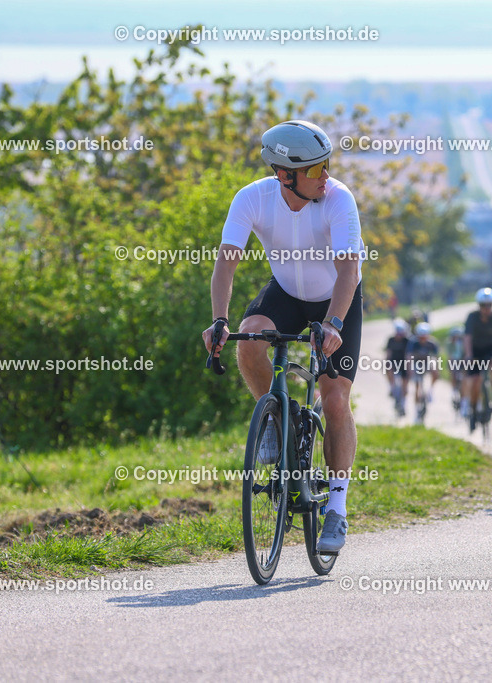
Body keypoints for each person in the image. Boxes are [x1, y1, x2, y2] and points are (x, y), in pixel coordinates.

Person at [202, 119, 363, 555]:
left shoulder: (338, 199)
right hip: (287, 293)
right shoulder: (251, 198)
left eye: (326, 165)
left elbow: (348, 270)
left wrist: (333, 324)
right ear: (284, 175)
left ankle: (337, 509)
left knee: (333, 400)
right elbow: (226, 264)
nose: (325, 175)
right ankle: (274, 417)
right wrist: (219, 320)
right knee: (249, 336)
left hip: (337, 299)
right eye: (314, 169)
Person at [462, 287, 492, 432]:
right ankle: (474, 410)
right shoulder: (472, 317)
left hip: (491, 348)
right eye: (483, 305)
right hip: (475, 350)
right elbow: (467, 337)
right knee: (475, 381)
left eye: (489, 305)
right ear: (479, 305)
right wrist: (469, 354)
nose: (486, 308)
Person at [407, 322, 440, 415]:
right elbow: (409, 357)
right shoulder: (413, 342)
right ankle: (416, 409)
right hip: (416, 363)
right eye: (421, 337)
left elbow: (435, 357)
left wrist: (435, 368)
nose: (423, 339)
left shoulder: (432, 343)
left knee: (434, 368)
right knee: (417, 386)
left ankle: (430, 390)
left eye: (424, 336)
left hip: (427, 363)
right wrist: (410, 369)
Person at [385, 319, 412, 416]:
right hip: (393, 362)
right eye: (398, 333)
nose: (399, 336)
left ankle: (403, 405)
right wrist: (386, 362)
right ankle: (392, 387)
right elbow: (388, 353)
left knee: (405, 385)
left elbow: (409, 355)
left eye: (401, 334)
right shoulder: (391, 340)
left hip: (404, 363)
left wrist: (409, 368)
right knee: (387, 369)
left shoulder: (407, 341)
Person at [446, 325, 466, 412]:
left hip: (463, 361)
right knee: (453, 373)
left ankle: (464, 398)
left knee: (464, 377)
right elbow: (450, 356)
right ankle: (454, 390)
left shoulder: (464, 343)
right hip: (454, 361)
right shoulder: (449, 344)